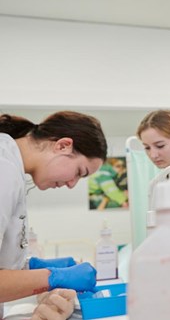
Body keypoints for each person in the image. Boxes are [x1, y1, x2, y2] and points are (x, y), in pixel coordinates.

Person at [0, 111, 108, 318]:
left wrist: (29, 266)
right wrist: (52, 277)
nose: (71, 184)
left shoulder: (11, 166)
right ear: (63, 145)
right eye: (79, 172)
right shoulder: (3, 169)